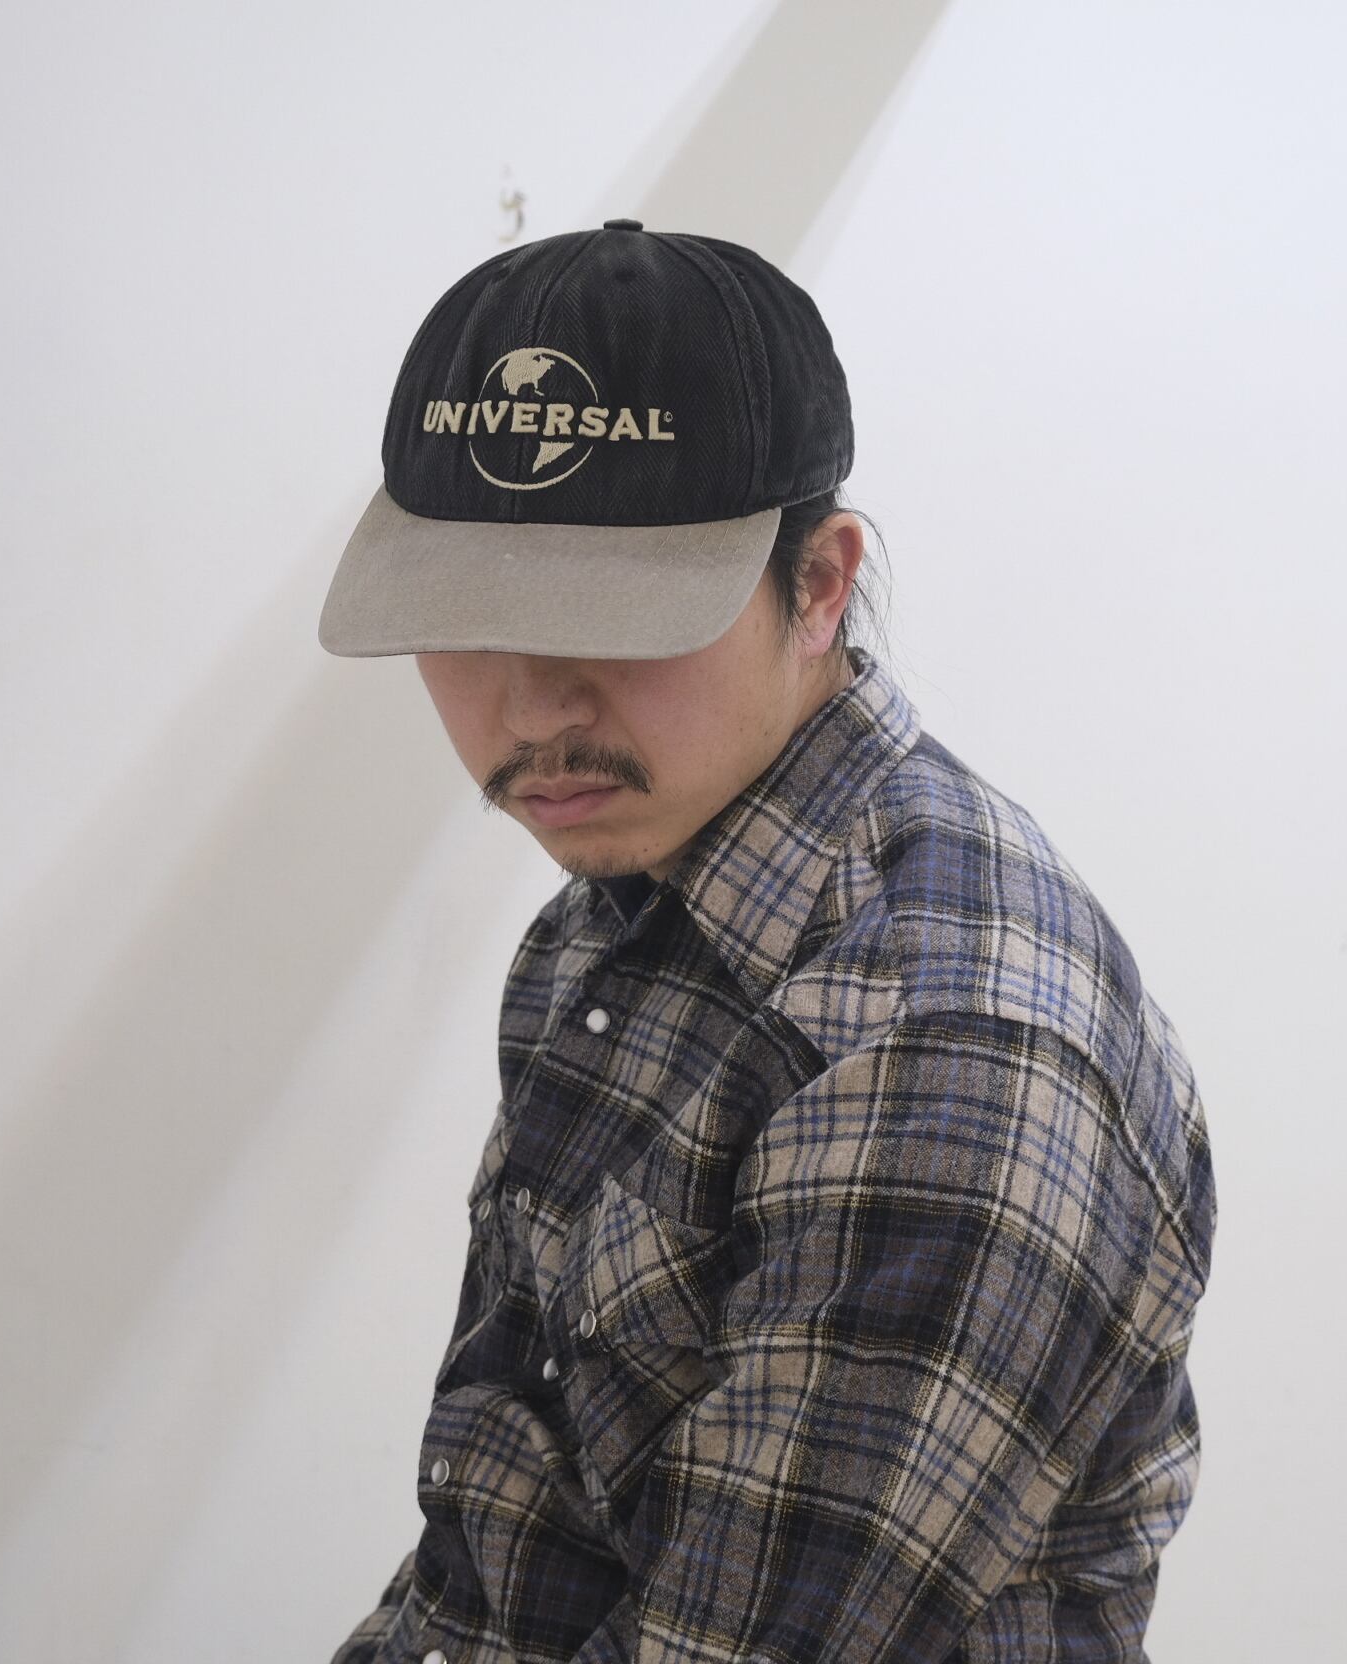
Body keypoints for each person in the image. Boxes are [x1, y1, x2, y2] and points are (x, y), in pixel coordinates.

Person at [315, 220, 1216, 1663]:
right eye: (466, 618)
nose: (531, 707)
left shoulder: (950, 1046)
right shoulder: (611, 919)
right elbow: (500, 1554)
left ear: (821, 583)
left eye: (609, 619)